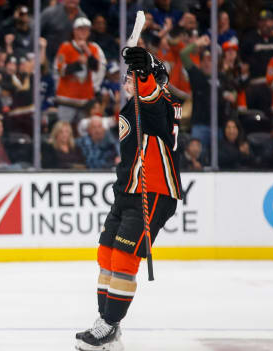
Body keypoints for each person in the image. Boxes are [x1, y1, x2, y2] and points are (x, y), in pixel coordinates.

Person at [75, 46, 181, 350]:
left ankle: (108, 327)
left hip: (154, 191)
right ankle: (107, 325)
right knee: (106, 256)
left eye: (135, 77)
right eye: (130, 76)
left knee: (123, 259)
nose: (128, 80)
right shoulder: (130, 108)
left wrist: (147, 73)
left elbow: (155, 107)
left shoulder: (164, 103)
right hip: (127, 193)